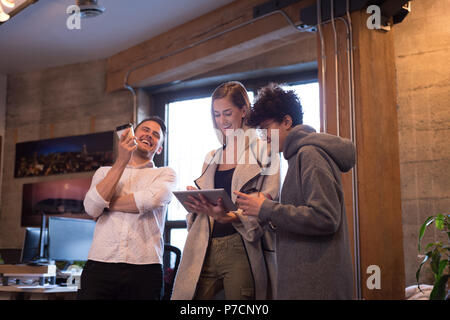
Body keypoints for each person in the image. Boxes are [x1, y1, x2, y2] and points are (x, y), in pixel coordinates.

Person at [235, 83, 355, 299]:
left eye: (266, 127)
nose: (264, 137)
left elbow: (325, 217)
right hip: (308, 282)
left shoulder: (309, 155)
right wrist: (266, 211)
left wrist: (267, 208)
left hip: (317, 286)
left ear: (287, 121)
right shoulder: (298, 156)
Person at [171, 81, 280, 300]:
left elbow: (271, 201)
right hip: (204, 244)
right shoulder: (211, 157)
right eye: (217, 114)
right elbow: (207, 206)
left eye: (227, 113)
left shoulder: (265, 150)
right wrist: (197, 203)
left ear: (244, 111)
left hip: (242, 245)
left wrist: (230, 216)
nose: (222, 121)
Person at [78, 116, 177, 300]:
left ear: (159, 148)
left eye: (156, 135)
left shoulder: (165, 174)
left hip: (145, 269)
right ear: (133, 136)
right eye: (145, 130)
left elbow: (150, 200)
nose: (149, 135)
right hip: (100, 265)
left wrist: (106, 205)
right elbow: (91, 208)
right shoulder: (104, 172)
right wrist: (122, 161)